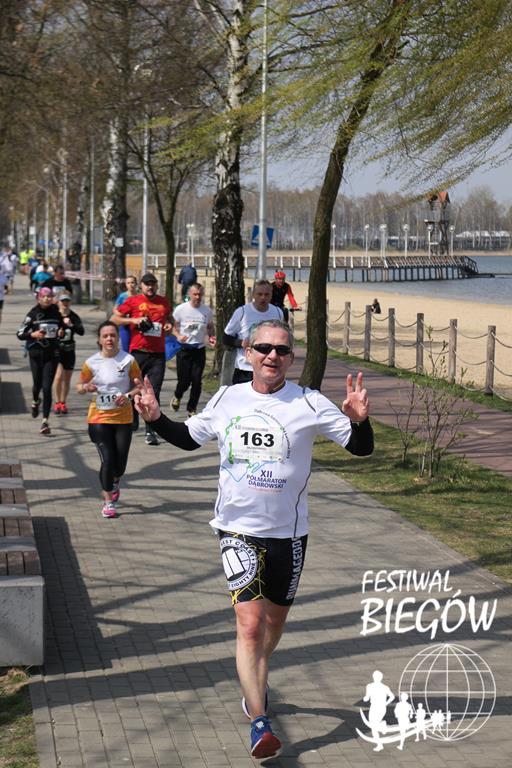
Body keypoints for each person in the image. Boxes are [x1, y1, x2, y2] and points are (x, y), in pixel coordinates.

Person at [134, 319, 373, 760]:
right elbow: (189, 438)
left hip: (289, 534)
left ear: (291, 358)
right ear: (247, 352)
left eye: (281, 350)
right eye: (263, 348)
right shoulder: (228, 397)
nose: (272, 356)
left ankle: (254, 678)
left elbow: (361, 448)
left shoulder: (308, 402)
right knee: (249, 625)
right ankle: (259, 720)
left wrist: (360, 422)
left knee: (273, 625)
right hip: (237, 530)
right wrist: (156, 419)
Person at [77, 322, 141, 518]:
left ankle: (115, 480)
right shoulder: (91, 362)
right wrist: (86, 388)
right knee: (107, 459)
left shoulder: (128, 360)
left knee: (119, 465)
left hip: (123, 419)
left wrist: (128, 396)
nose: (109, 339)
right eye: (105, 336)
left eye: (112, 335)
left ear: (118, 338)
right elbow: (79, 386)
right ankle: (108, 502)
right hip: (99, 417)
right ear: (99, 340)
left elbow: (139, 386)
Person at [110, 273, 172, 445]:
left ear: (156, 285)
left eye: (153, 284)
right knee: (135, 388)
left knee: (154, 392)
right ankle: (134, 417)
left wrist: (169, 324)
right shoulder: (133, 301)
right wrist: (135, 320)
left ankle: (151, 431)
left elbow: (169, 318)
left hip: (158, 354)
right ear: (141, 286)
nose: (150, 287)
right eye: (147, 284)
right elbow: (114, 319)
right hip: (138, 352)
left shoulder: (164, 302)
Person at [16, 286, 65, 435]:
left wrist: (61, 332)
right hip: (36, 354)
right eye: (44, 296)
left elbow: (61, 329)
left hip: (52, 354)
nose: (47, 299)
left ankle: (45, 421)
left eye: (49, 296)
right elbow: (20, 333)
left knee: (47, 387)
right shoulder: (33, 314)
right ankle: (35, 401)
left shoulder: (56, 312)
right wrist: (33, 334)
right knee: (37, 385)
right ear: (38, 298)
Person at [223, 280, 283, 384]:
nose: (263, 298)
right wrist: (241, 343)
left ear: (271, 295)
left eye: (267, 294)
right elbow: (225, 338)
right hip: (245, 368)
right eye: (260, 294)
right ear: (253, 294)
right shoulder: (242, 312)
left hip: (268, 368)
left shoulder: (277, 312)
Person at [171, 283, 215, 416]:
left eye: (200, 294)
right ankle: (177, 396)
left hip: (199, 349)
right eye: (195, 294)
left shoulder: (206, 311)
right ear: (189, 294)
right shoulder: (181, 309)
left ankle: (192, 409)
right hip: (184, 350)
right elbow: (172, 327)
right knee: (184, 381)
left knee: (196, 381)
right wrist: (178, 336)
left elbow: (210, 327)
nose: (197, 297)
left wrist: (212, 337)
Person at [54, 293, 84, 414]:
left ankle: (63, 402)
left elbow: (81, 331)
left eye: (67, 301)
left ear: (70, 302)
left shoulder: (74, 316)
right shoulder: (55, 316)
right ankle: (57, 402)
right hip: (58, 350)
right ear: (58, 302)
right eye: (63, 301)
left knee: (67, 378)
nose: (65, 304)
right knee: (58, 377)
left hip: (70, 350)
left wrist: (71, 324)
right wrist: (57, 333)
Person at [363, 670, 395, 752]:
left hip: (377, 707)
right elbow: (392, 697)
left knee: (373, 726)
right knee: (373, 726)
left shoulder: (371, 686)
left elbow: (367, 698)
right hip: (377, 707)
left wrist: (385, 703)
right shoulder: (383, 687)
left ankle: (379, 743)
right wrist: (385, 703)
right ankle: (382, 726)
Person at [114, 276, 139, 353]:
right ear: (126, 285)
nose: (131, 285)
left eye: (132, 282)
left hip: (137, 326)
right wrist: (121, 315)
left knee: (136, 347)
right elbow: (115, 309)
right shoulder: (122, 296)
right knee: (126, 347)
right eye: (128, 283)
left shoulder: (139, 296)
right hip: (125, 325)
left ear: (136, 284)